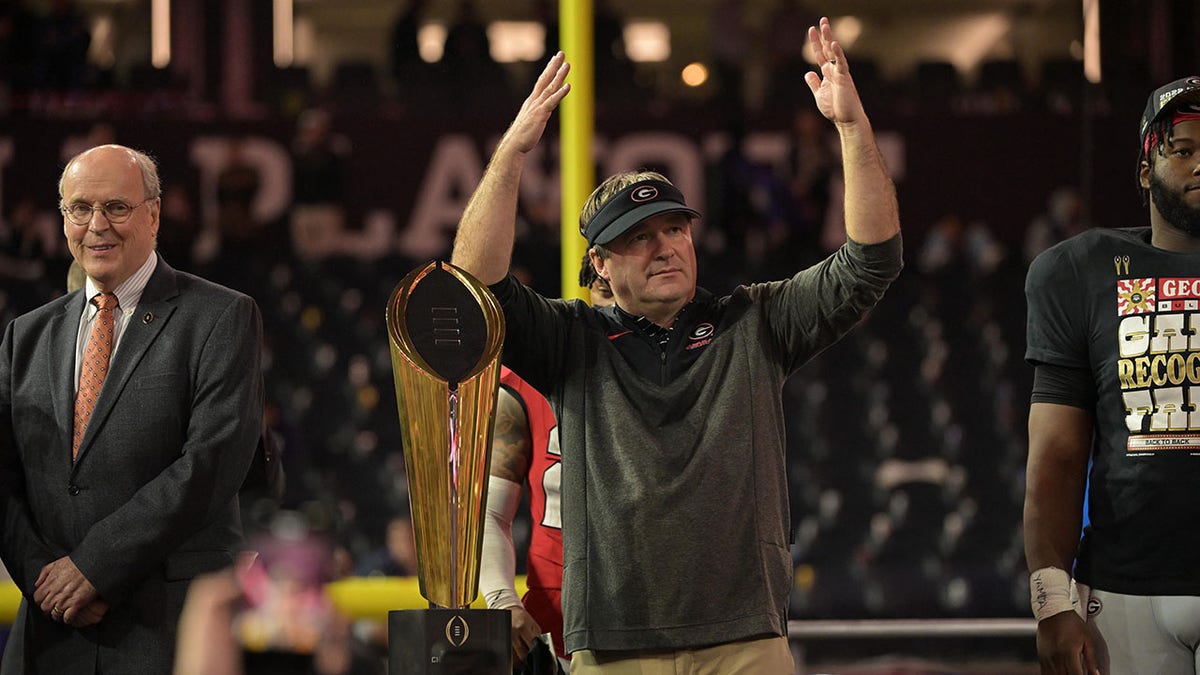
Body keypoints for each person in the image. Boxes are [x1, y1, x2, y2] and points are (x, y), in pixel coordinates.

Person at [451, 16, 902, 672]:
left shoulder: (755, 321)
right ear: (600, 263)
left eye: (675, 229)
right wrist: (513, 153)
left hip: (745, 638)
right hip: (612, 645)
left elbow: (872, 262)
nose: (665, 246)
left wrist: (854, 130)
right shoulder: (571, 340)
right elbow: (475, 287)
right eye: (640, 236)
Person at [0, 144, 264, 673]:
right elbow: (2, 476)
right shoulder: (24, 335)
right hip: (48, 635)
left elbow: (210, 462)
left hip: (164, 632)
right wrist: (43, 578)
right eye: (80, 208)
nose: (97, 224)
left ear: (154, 212)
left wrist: (95, 567)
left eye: (116, 207)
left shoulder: (222, 316)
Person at [1023, 76, 1200, 675]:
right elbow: (1057, 456)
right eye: (1183, 148)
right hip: (1125, 592)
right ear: (1146, 169)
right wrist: (1051, 602)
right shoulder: (1080, 272)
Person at [480, 256, 614, 672]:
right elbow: (487, 510)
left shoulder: (687, 368)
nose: (618, 307)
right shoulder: (530, 375)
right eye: (606, 292)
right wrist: (502, 599)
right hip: (557, 624)